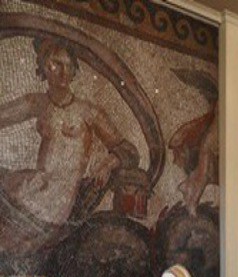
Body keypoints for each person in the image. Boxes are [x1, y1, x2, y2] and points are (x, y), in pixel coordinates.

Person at [0, 37, 138, 255]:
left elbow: (130, 151)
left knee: (12, 246)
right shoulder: (38, 102)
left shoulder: (88, 112)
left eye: (69, 66)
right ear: (44, 67)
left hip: (57, 202)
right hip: (32, 187)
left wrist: (109, 163)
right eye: (56, 64)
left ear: (75, 70)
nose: (64, 72)